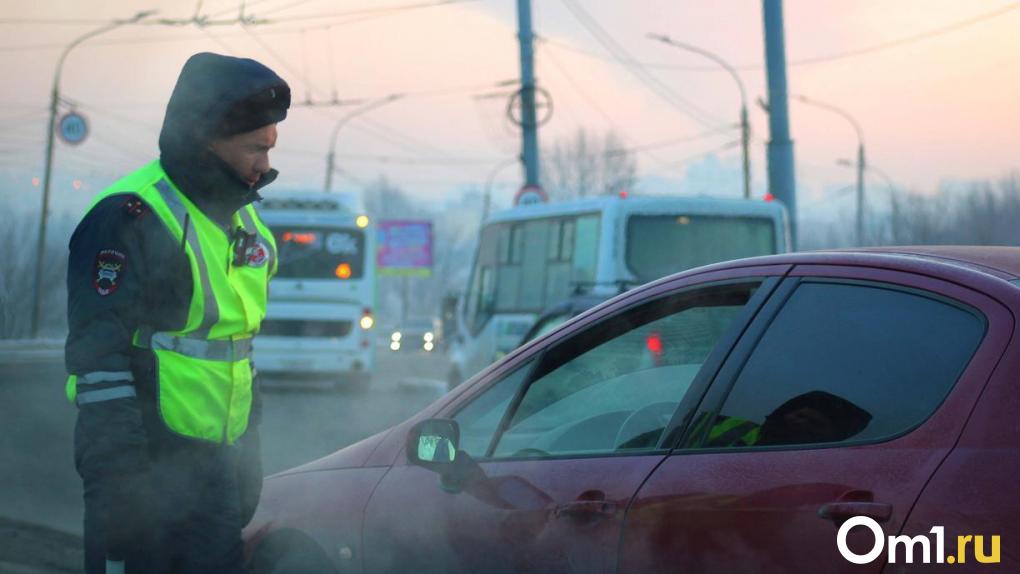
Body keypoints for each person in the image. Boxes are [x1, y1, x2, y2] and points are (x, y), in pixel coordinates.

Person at [64, 52, 290, 574]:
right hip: (145, 470)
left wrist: (247, 449)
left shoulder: (248, 222)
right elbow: (99, 361)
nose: (265, 164)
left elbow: (236, 350)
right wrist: (120, 481)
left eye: (271, 147)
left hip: (213, 466)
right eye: (255, 147)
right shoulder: (129, 217)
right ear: (205, 138)